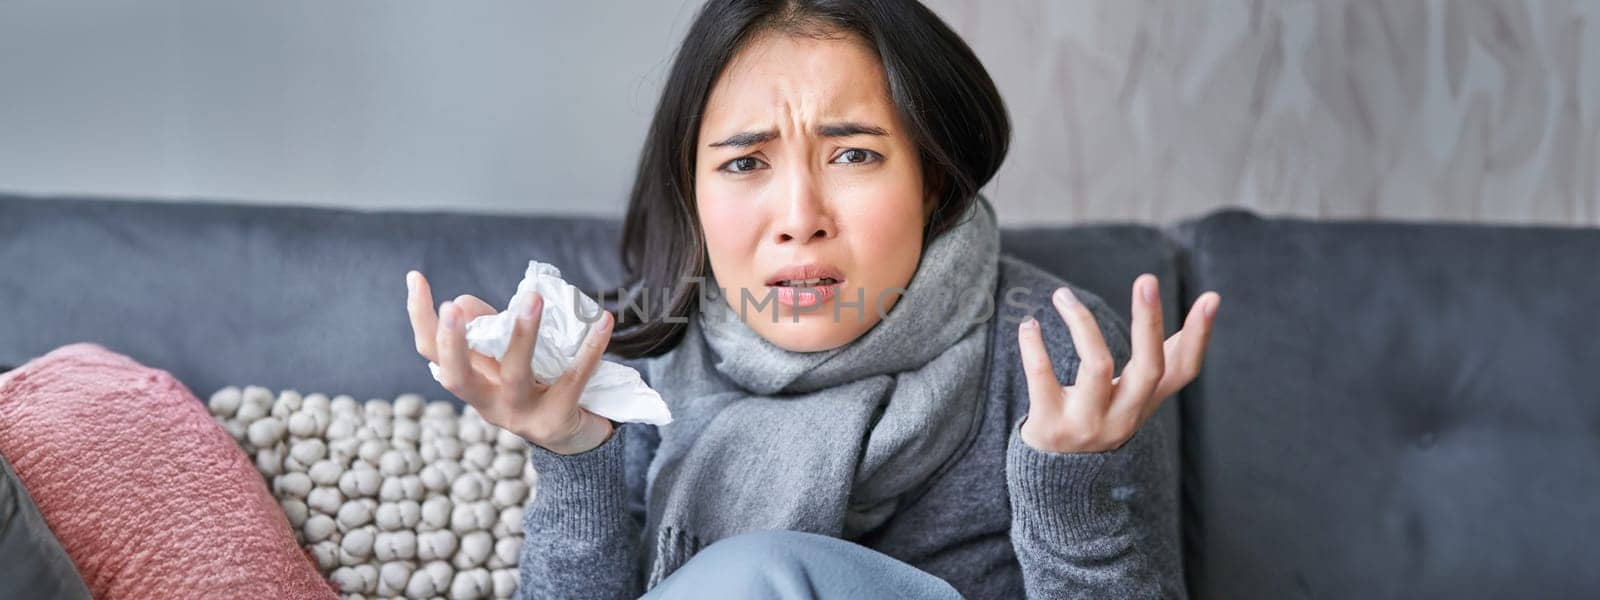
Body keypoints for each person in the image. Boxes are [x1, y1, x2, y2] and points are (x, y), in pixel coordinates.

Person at [405, 0, 1221, 597]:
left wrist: (1069, 487)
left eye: (855, 155)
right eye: (744, 164)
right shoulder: (645, 354)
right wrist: (573, 453)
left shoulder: (1054, 354)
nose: (800, 219)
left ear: (931, 175)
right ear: (693, 192)